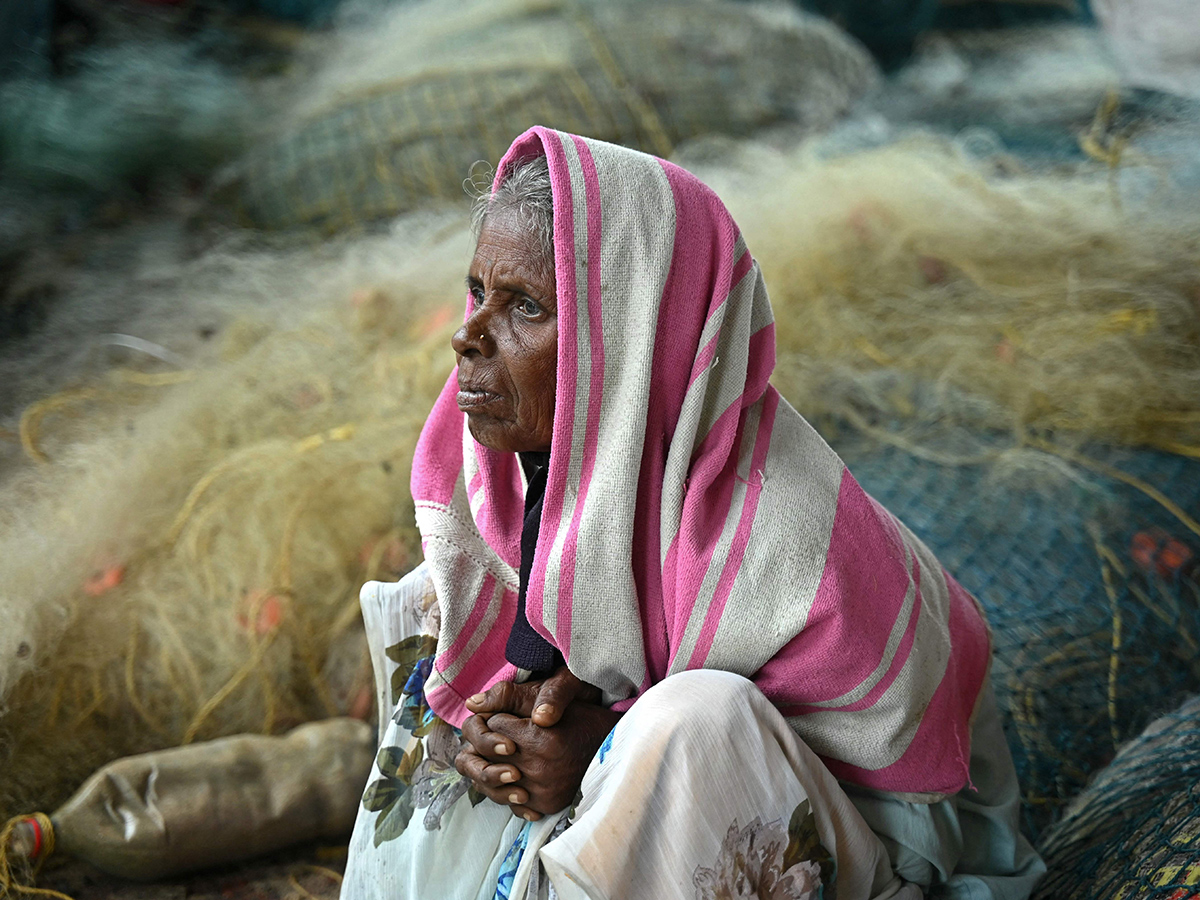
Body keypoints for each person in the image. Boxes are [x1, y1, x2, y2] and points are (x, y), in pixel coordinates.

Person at [341, 127, 1045, 900]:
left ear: (631, 341)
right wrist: (509, 734)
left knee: (694, 726)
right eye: (478, 292)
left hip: (885, 857)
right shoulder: (520, 488)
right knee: (439, 609)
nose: (467, 335)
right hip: (633, 790)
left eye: (526, 307)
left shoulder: (795, 541)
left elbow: (921, 828)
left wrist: (608, 747)